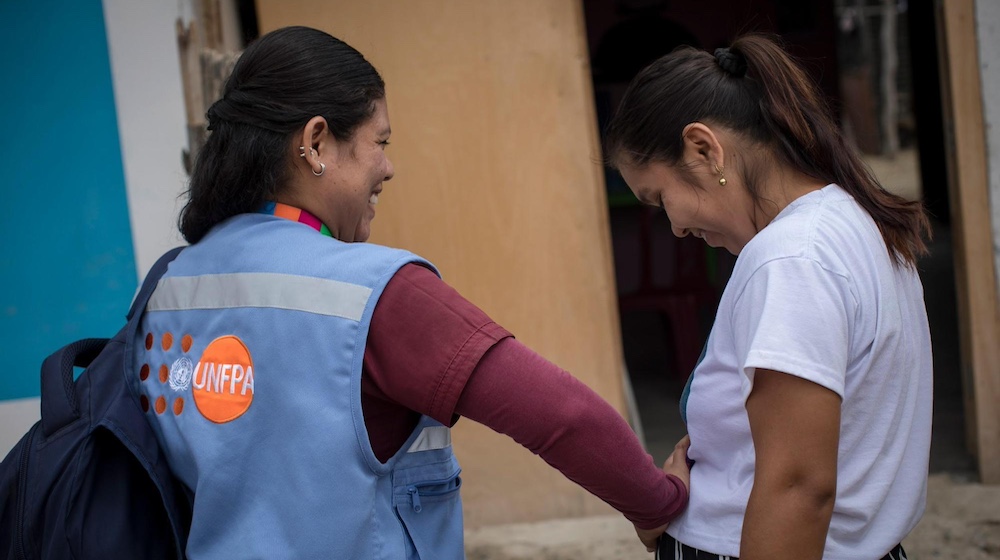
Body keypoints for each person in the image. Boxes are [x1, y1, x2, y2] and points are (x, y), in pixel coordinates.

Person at [131, 25, 689, 559]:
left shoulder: (165, 289)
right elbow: (559, 413)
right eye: (380, 141)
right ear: (317, 142)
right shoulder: (374, 293)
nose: (388, 167)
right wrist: (659, 502)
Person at [603, 34, 932, 560]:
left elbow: (798, 487)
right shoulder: (856, 223)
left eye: (660, 199)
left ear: (704, 149)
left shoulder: (790, 260)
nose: (676, 228)